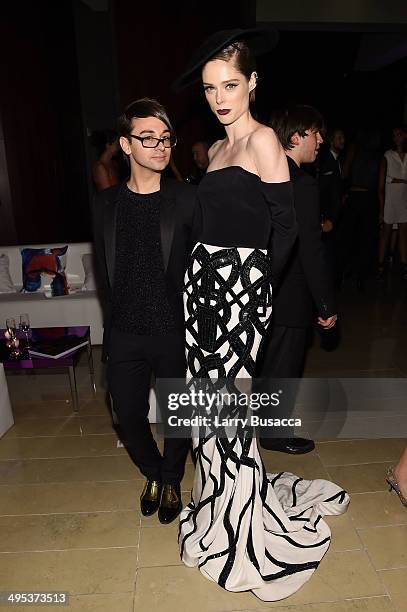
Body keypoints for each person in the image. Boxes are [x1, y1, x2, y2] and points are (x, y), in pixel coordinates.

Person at [173, 29, 349, 602]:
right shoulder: (217, 150)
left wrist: (256, 289)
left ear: (251, 83)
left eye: (230, 85)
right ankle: (215, 505)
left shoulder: (264, 141)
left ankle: (240, 521)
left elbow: (287, 226)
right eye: (209, 89)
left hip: (240, 291)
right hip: (202, 290)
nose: (220, 98)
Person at [92, 98, 196, 524]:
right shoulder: (104, 204)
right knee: (127, 413)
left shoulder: (187, 199)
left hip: (174, 328)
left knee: (177, 413)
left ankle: (170, 478)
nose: (159, 145)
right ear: (126, 144)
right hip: (125, 332)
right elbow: (105, 273)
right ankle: (152, 471)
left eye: (166, 138)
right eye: (147, 137)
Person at [256, 105, 337, 455]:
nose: (320, 140)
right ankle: (272, 435)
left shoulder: (260, 174)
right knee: (284, 367)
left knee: (265, 364)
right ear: (295, 137)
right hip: (290, 292)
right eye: (314, 133)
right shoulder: (301, 184)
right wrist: (326, 303)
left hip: (258, 286)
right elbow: (310, 250)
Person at [335, 128, 382, 289]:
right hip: (368, 199)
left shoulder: (355, 149)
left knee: (348, 238)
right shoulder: (378, 155)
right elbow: (379, 183)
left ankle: (343, 274)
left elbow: (345, 173)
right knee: (365, 239)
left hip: (355, 197)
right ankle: (360, 276)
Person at [377, 125, 407, 281]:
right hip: (390, 198)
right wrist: (401, 180)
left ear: (405, 136)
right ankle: (380, 266)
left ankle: (403, 266)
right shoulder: (388, 155)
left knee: (403, 233)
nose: (396, 137)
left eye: (399, 134)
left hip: (403, 199)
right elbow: (385, 178)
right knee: (386, 233)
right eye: (394, 135)